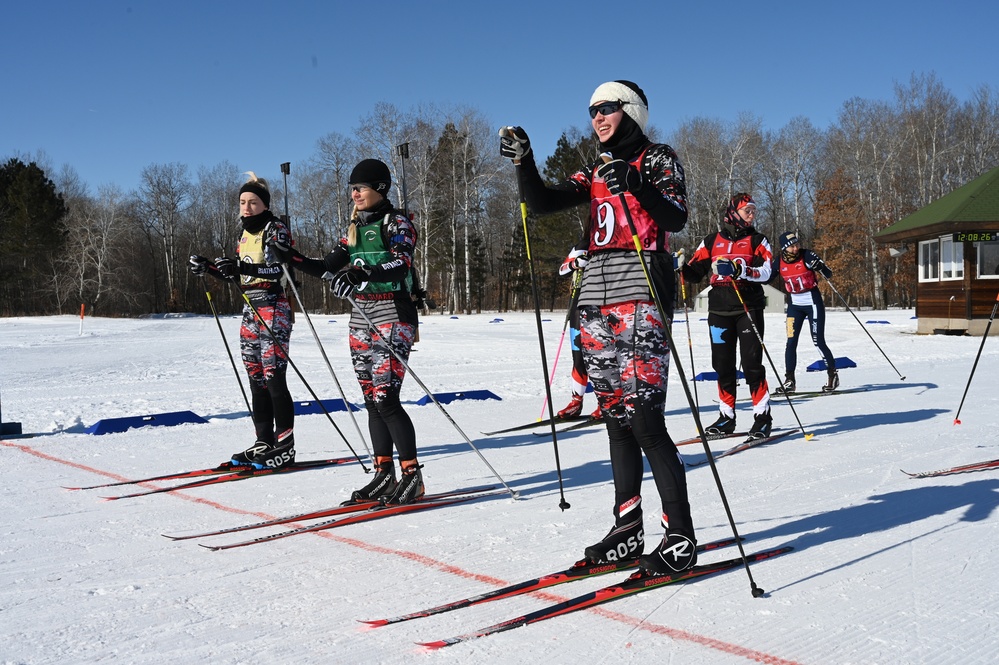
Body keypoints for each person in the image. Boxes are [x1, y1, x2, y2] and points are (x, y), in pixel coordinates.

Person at [500, 80, 697, 575]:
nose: (597, 118)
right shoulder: (594, 168)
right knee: (615, 421)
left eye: (606, 108)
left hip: (641, 292)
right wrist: (524, 161)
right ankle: (628, 528)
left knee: (647, 421)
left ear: (630, 112)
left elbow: (677, 216)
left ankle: (681, 536)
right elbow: (544, 202)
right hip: (596, 295)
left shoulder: (656, 158)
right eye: (591, 111)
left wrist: (638, 186)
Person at [274, 159, 424, 505]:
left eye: (361, 188)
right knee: (372, 401)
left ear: (380, 189)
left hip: (392, 312)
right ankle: (383, 474)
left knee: (387, 398)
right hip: (360, 316)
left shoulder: (396, 222)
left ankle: (412, 476)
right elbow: (325, 266)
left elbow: (402, 261)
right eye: (352, 189)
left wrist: (364, 272)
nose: (354, 194)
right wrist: (289, 256)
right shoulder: (354, 227)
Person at [189, 172, 296, 469]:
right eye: (242, 203)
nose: (246, 208)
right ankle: (264, 440)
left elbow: (278, 271)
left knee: (275, 378)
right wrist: (210, 268)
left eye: (252, 203)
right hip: (250, 309)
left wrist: (238, 268)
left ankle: (285, 444)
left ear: (264, 205)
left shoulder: (275, 230)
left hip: (273, 307)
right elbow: (238, 274)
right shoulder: (244, 234)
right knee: (256, 377)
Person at [681, 193, 775, 440]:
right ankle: (726, 417)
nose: (752, 214)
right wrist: (679, 267)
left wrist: (739, 269)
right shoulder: (712, 241)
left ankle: (762, 417)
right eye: (748, 210)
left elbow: (768, 272)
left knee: (752, 363)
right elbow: (694, 272)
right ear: (734, 212)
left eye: (754, 210)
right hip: (719, 310)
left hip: (747, 308)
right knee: (722, 365)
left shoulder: (758, 240)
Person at [774, 232, 838, 393]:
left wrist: (820, 266)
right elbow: (766, 277)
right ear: (784, 248)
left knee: (818, 341)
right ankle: (789, 381)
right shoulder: (779, 261)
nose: (796, 248)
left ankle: (832, 375)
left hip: (812, 303)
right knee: (790, 342)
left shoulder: (807, 255)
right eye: (792, 246)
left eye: (797, 244)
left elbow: (828, 273)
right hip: (794, 306)